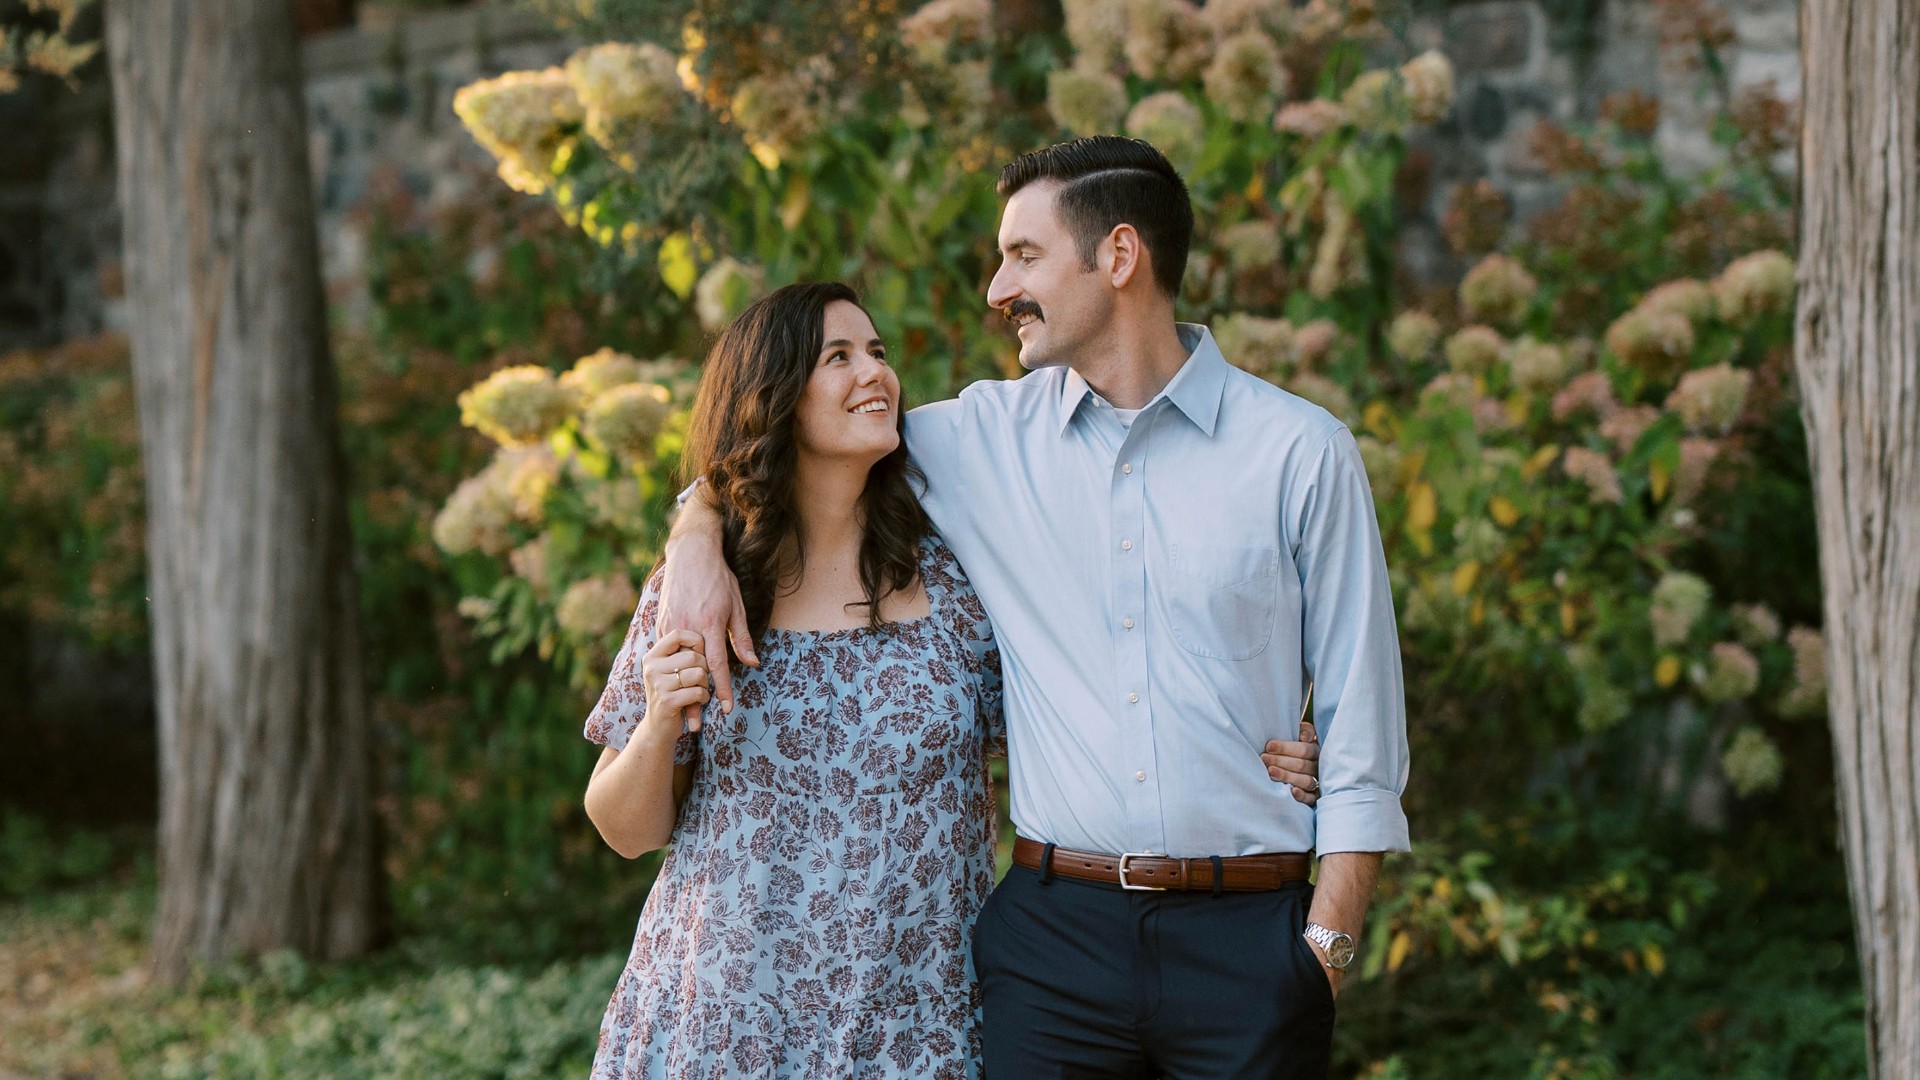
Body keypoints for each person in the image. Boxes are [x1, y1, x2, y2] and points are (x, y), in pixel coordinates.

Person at [662, 136, 1409, 1079]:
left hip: (1249, 942)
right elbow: (784, 446)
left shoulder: (1301, 453)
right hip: (1054, 949)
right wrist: (694, 533)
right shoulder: (973, 441)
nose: (996, 288)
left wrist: (1323, 953)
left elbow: (1363, 735)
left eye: (1024, 256)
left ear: (1120, 257)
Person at [579, 279, 1328, 1078]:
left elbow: (1096, 707)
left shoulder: (954, 581)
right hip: (725, 1016)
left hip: (917, 1022)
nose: (875, 372)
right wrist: (662, 717)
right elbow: (626, 828)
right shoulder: (706, 587)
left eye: (877, 351)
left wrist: (1258, 739)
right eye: (838, 357)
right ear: (773, 395)